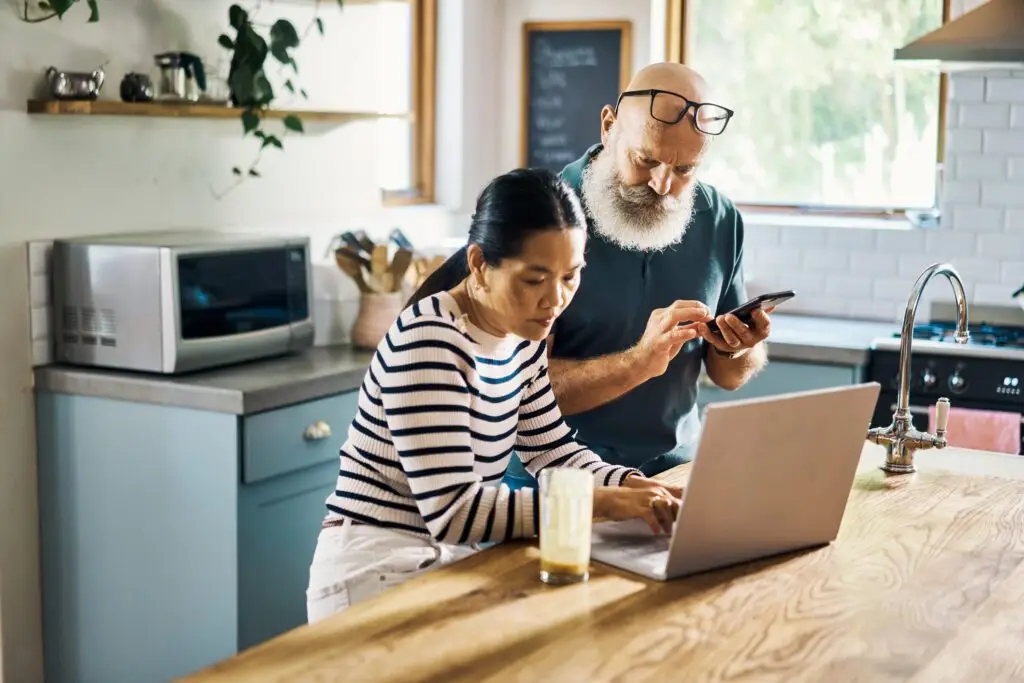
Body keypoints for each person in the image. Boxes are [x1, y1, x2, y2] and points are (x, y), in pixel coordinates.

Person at [306, 167, 684, 623]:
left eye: (571, 276)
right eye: (534, 279)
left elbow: (551, 449)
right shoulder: (431, 339)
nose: (556, 299)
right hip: (373, 569)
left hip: (442, 562)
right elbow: (455, 511)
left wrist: (629, 483)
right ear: (480, 264)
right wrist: (600, 502)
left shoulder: (520, 334)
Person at [503, 61, 774, 487]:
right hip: (558, 480)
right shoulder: (543, 214)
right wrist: (637, 364)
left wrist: (738, 348)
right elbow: (513, 390)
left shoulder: (720, 219)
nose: (663, 185)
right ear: (609, 126)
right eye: (645, 160)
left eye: (686, 170)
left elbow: (727, 377)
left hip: (676, 476)